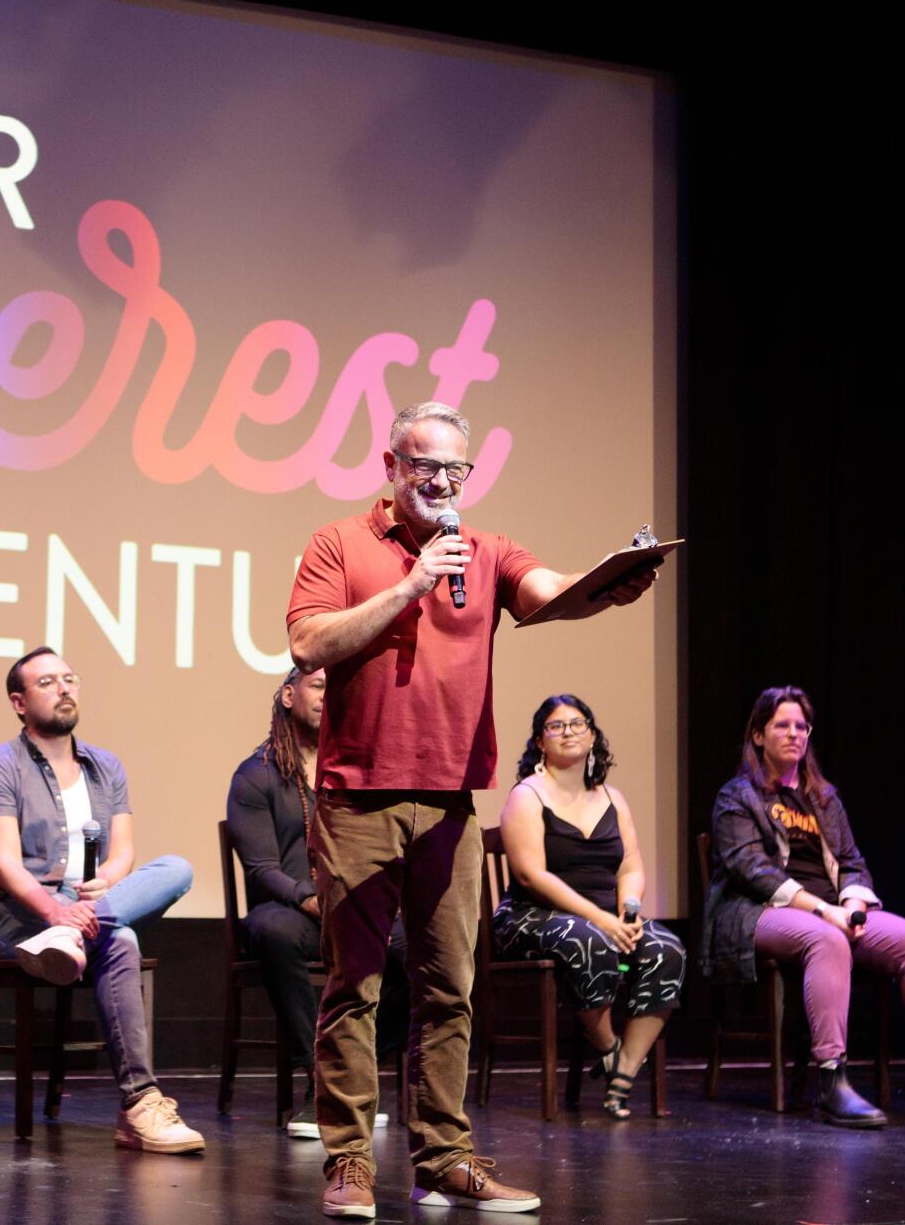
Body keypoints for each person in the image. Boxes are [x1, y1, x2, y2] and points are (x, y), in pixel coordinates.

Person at [286, 400, 657, 1218]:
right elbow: (310, 644)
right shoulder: (340, 543)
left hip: (450, 798)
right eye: (426, 466)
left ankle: (442, 1157)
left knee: (449, 986)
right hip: (357, 795)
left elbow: (553, 593)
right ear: (390, 465)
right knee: (355, 984)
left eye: (456, 469)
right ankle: (348, 1160)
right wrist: (412, 584)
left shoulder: (487, 552)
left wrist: (612, 585)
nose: (442, 481)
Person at [704, 685, 905, 1129]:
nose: (793, 734)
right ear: (758, 735)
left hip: (832, 912)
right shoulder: (738, 796)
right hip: (755, 913)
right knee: (826, 939)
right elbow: (753, 872)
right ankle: (831, 1081)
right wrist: (826, 913)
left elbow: (852, 863)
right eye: (781, 725)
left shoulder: (824, 798)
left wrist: (852, 904)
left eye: (801, 726)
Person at [0, 647, 203, 1153]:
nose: (64, 688)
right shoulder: (0, 766)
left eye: (70, 678)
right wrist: (55, 911)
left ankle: (77, 933)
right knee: (121, 941)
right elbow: (6, 868)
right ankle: (141, 1103)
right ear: (19, 702)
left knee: (177, 869)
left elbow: (122, 855)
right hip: (18, 916)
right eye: (48, 682)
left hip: (82, 908)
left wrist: (96, 895)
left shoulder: (105, 766)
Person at [225, 666, 408, 1139]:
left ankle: (349, 1071)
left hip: (353, 910)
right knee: (273, 931)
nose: (330, 698)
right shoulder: (256, 775)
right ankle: (318, 1076)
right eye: (320, 686)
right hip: (293, 913)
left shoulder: (357, 769)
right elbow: (262, 869)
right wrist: (311, 901)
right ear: (289, 695)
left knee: (423, 945)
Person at [490, 694, 686, 1117]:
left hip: (604, 917)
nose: (568, 732)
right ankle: (611, 1049)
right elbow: (531, 876)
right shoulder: (527, 795)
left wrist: (628, 913)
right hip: (531, 915)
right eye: (556, 726)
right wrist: (600, 920)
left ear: (593, 735)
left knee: (666, 948)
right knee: (590, 941)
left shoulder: (612, 798)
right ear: (540, 741)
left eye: (578, 724)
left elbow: (631, 865)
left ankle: (624, 1074)